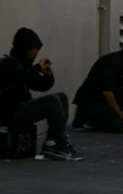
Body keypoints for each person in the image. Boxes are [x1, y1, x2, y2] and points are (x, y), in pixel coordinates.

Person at [0, 28, 82, 160]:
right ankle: (57, 144)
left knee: (61, 97)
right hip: (10, 115)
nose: (35, 53)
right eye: (33, 49)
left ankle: (53, 141)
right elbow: (21, 77)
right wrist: (37, 68)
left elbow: (39, 85)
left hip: (21, 110)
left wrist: (48, 76)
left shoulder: (24, 65)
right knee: (52, 101)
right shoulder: (9, 63)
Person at [72, 39, 123, 133]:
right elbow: (107, 91)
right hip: (91, 101)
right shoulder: (114, 62)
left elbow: (119, 88)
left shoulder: (122, 62)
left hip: (99, 99)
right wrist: (119, 113)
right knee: (117, 126)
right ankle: (85, 119)